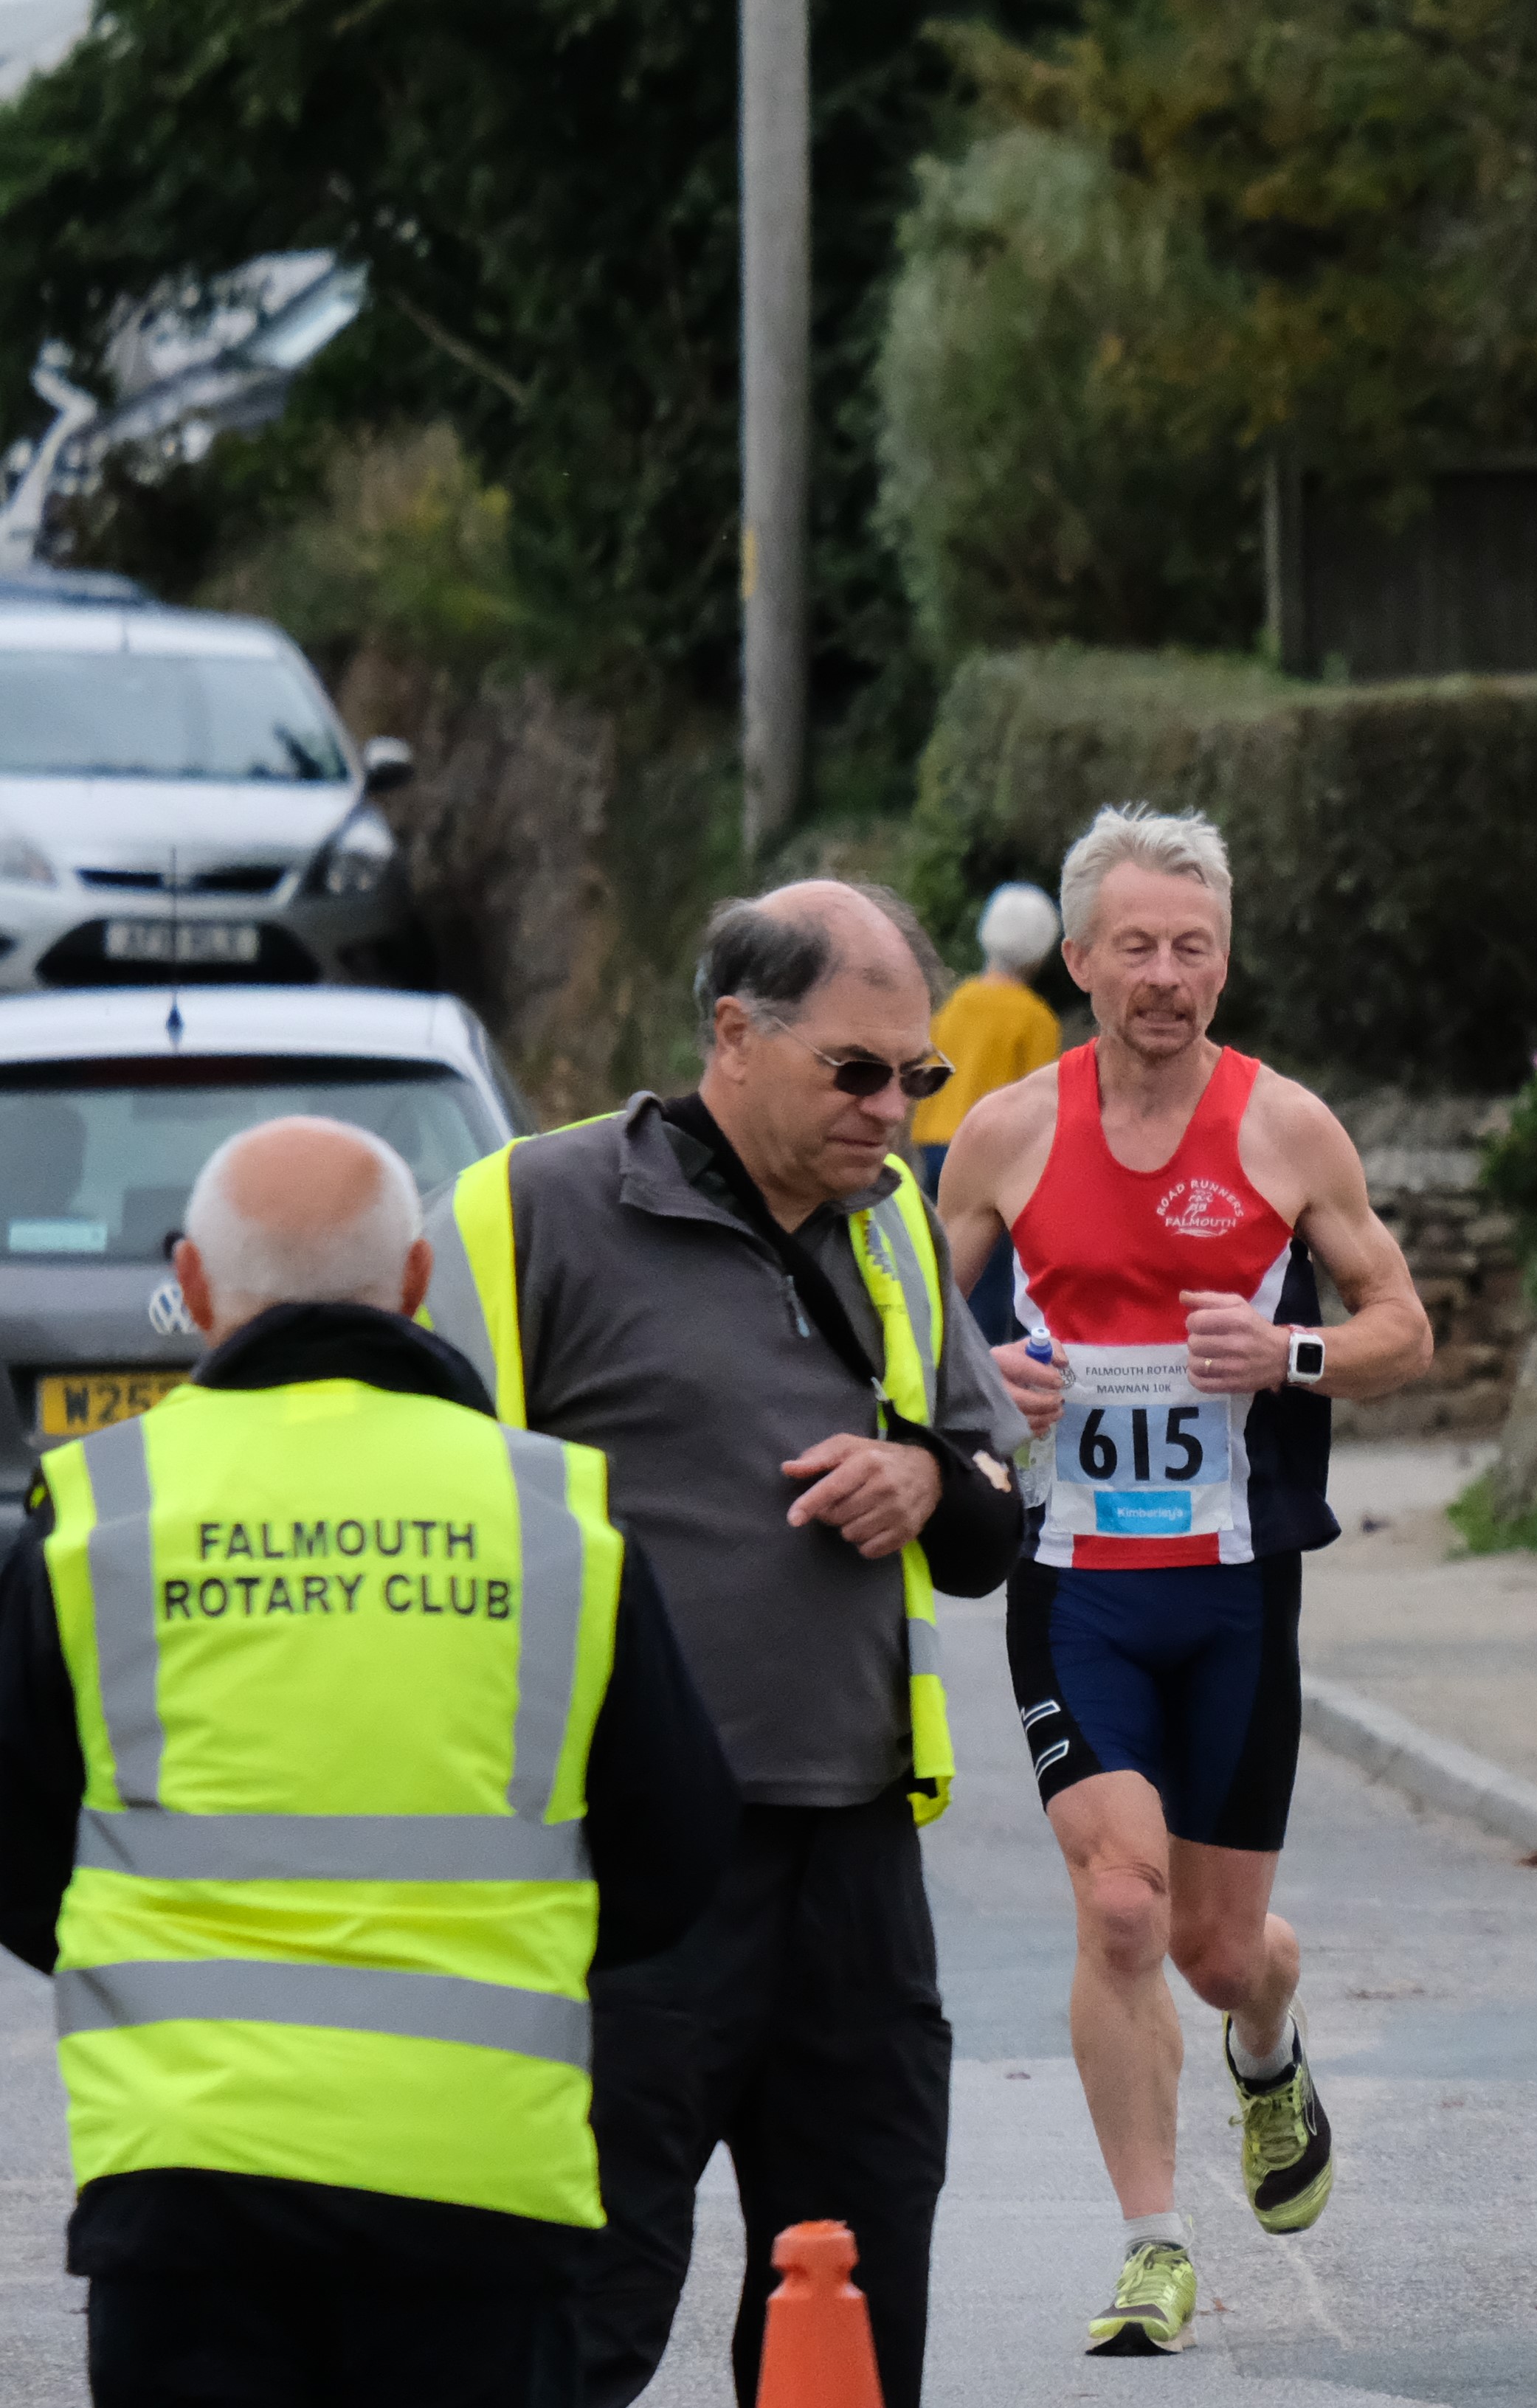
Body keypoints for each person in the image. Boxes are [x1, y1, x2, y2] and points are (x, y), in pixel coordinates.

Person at [0, 1118, 738, 2407]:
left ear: (192, 1282)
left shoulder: (99, 1508)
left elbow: (14, 1851)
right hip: (479, 2177)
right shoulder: (551, 1509)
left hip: (188, 2181)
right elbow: (674, 1847)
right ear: (414, 1279)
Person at [417, 880, 1032, 2408]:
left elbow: (992, 1519)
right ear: (736, 1033)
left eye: (918, 1075)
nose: (892, 1109)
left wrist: (926, 1473)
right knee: (583, 2303)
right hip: (621, 1866)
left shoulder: (894, 1221)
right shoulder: (528, 1209)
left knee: (852, 2303)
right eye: (856, 1070)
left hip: (855, 1864)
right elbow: (426, 1520)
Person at [933, 804, 1434, 2359]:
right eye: (1137, 945)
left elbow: (1403, 1330)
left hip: (1233, 1589)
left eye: (1193, 947)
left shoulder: (1285, 1127)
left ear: (1225, 962)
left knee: (1221, 1950)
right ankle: (1152, 2242)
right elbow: (907, 1329)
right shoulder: (1008, 1132)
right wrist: (983, 1386)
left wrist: (1288, 1352)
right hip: (1073, 1579)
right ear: (1080, 959)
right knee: (1121, 1905)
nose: (1166, 974)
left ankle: (1266, 2043)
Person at [911, 882, 1068, 1341]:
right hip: (996, 1160)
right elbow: (1041, 1106)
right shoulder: (1036, 1018)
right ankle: (984, 1367)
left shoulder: (956, 1002)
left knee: (942, 1266)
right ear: (1044, 948)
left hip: (934, 1146)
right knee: (991, 1280)